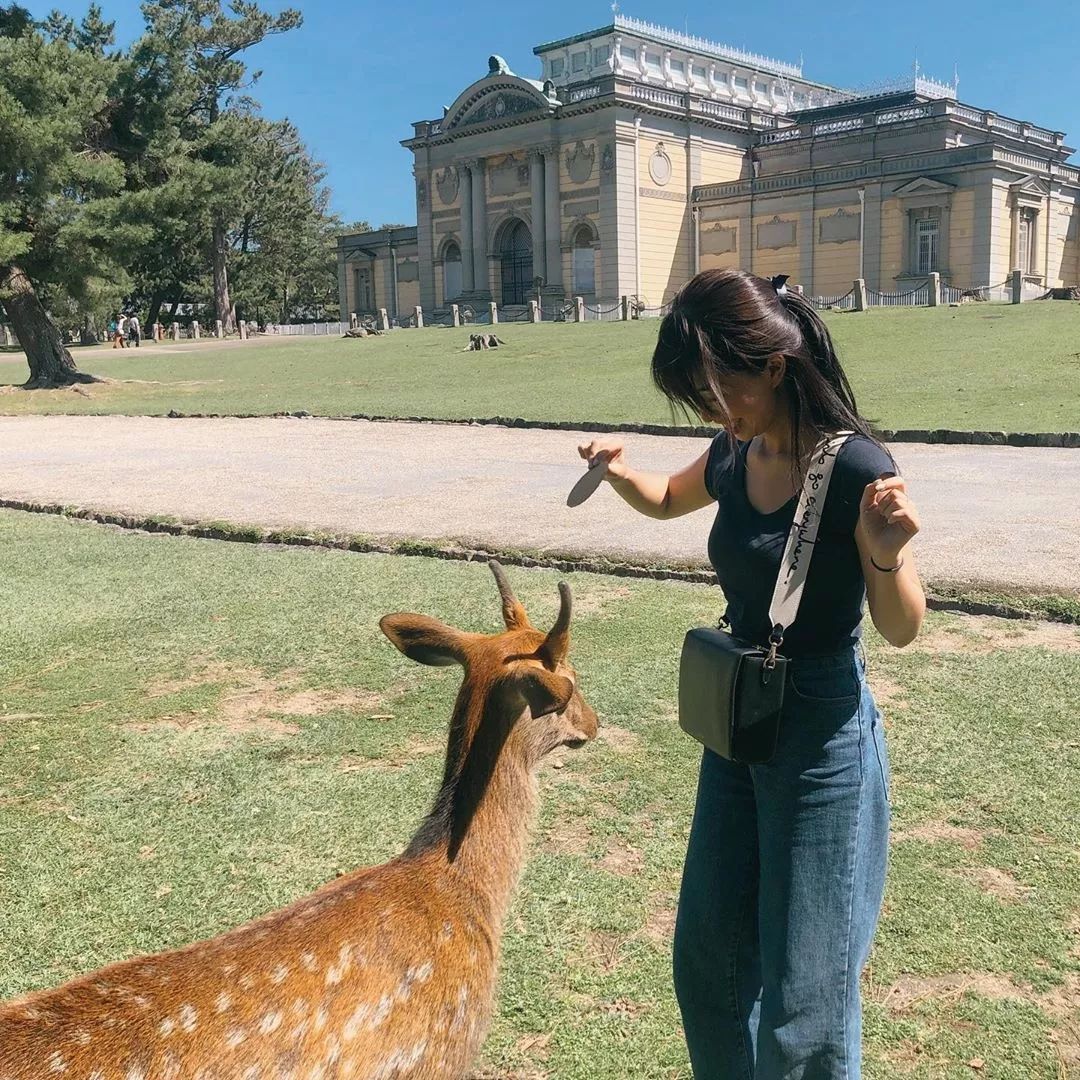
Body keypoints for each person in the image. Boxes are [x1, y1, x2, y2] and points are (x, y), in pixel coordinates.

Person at [577, 268, 925, 1079]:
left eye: (713, 388)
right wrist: (616, 469)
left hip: (819, 736)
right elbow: (668, 498)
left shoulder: (854, 469)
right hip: (740, 720)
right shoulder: (737, 445)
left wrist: (887, 552)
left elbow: (903, 626)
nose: (707, 410)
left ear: (771, 366)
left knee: (805, 1005)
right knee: (712, 970)